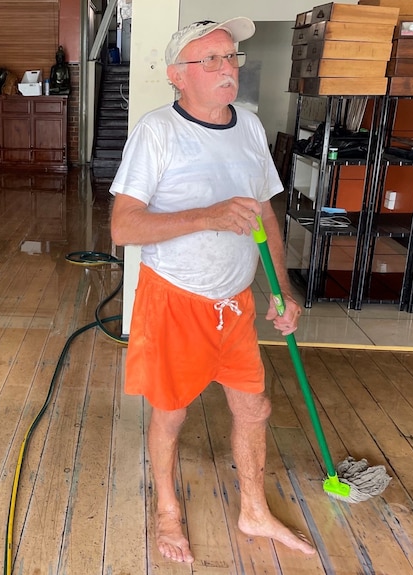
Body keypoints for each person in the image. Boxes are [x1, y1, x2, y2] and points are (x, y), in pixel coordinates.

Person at [109, 18, 317, 563]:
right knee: (171, 415)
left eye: (232, 57)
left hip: (235, 304)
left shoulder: (248, 126)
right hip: (175, 301)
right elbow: (123, 228)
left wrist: (282, 288)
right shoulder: (157, 132)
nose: (229, 69)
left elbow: (264, 212)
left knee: (255, 409)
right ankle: (168, 513)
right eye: (213, 60)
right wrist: (208, 216)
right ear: (179, 75)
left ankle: (254, 509)